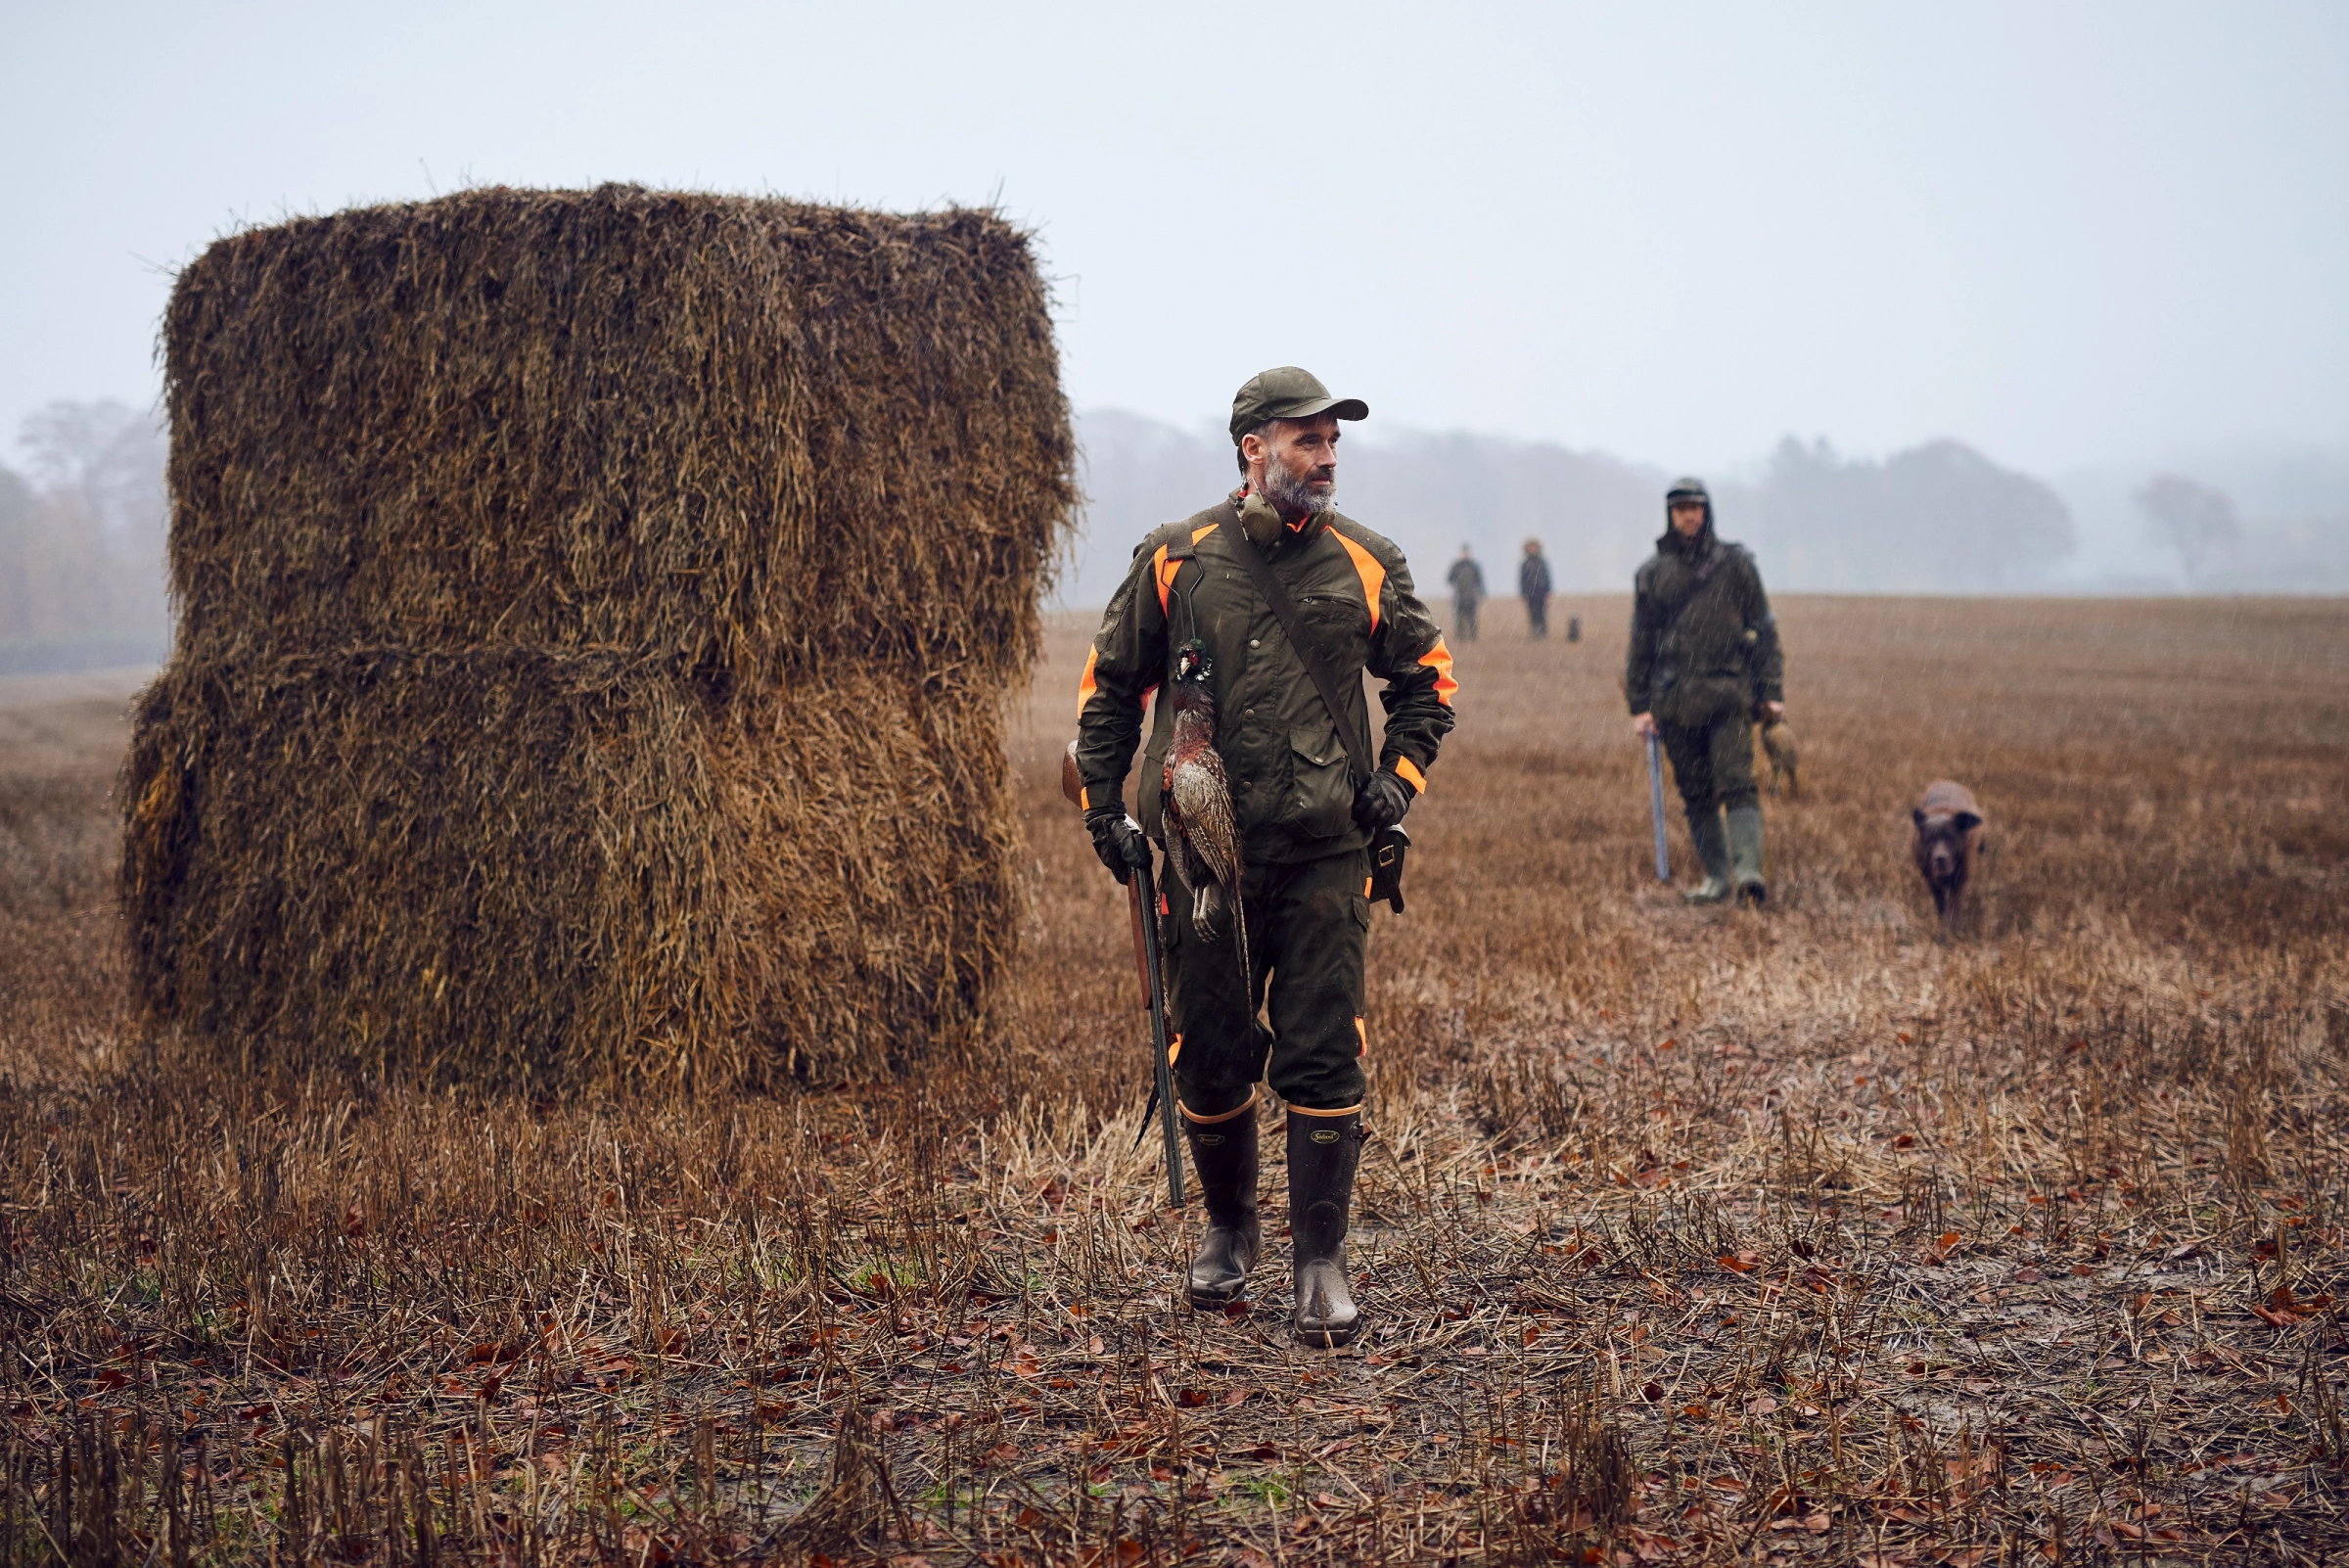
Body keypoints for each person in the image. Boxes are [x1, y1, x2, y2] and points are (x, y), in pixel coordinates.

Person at [1073, 366, 1457, 1347]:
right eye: (1307, 440)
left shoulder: (1366, 560)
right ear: (1254, 448)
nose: (1327, 458)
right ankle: (1228, 1231)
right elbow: (1110, 688)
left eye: (1333, 442)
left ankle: (1321, 1263)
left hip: (1327, 854)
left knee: (1325, 1052)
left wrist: (1397, 782)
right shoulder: (1176, 560)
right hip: (1202, 861)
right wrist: (1103, 811)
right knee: (1208, 1051)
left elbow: (1428, 682)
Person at [1626, 477, 1784, 904]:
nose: (1689, 515)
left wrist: (1771, 690)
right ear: (1670, 514)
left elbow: (1764, 631)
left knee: (1737, 783)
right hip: (1673, 701)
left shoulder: (1737, 565)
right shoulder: (1652, 573)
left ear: (1706, 511)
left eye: (1695, 507)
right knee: (1695, 792)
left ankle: (1749, 875)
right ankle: (1717, 878)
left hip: (1728, 695)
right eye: (1680, 509)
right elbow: (1641, 644)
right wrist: (1639, 706)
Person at [1446, 545, 1486, 642]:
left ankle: (1473, 636)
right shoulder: (1457, 566)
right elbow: (1449, 579)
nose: (1465, 554)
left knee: (1472, 617)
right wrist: (1456, 585)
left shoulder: (1474, 566)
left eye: (1467, 552)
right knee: (1459, 617)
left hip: (1471, 596)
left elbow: (1479, 581)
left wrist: (1482, 593)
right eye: (1464, 552)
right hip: (1459, 596)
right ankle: (1460, 636)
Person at [1518, 538, 1552, 639]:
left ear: (1537, 548)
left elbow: (1547, 577)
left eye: (1534, 547)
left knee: (1542, 614)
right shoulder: (1525, 563)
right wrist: (1523, 593)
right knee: (1533, 614)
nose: (1532, 549)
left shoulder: (1542, 562)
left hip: (1541, 592)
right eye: (1530, 547)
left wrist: (1548, 592)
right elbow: (1522, 580)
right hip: (1530, 593)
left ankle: (1543, 634)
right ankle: (1535, 634)